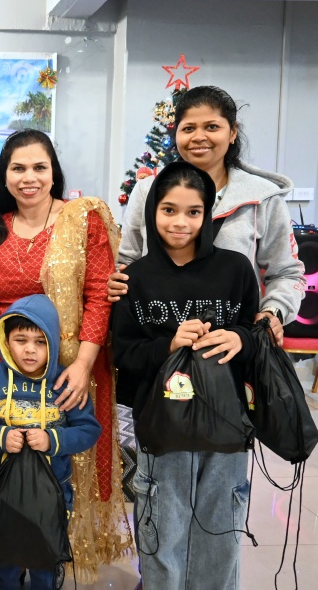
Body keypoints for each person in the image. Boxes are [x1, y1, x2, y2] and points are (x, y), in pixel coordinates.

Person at [0, 129, 131, 580]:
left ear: (54, 173)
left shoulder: (82, 218)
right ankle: (11, 553)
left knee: (66, 464)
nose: (29, 177)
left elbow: (99, 296)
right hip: (11, 371)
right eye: (18, 168)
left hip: (72, 366)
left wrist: (83, 365)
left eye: (39, 167)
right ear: (4, 176)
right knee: (14, 462)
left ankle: (54, 559)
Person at [111, 161, 260, 589]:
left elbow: (254, 335)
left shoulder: (235, 269)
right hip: (162, 427)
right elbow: (125, 353)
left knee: (220, 528)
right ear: (152, 211)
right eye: (169, 210)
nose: (180, 222)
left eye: (193, 212)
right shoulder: (134, 278)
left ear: (207, 214)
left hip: (225, 422)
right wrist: (170, 344)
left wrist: (238, 339)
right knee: (163, 527)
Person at [111, 85, 305, 344]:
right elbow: (127, 261)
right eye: (188, 128)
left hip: (231, 346)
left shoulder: (263, 197)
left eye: (212, 127)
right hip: (159, 347)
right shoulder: (148, 191)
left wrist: (272, 312)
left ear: (233, 132)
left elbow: (287, 273)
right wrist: (116, 282)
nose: (199, 137)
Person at [0, 294, 102, 590]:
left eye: (40, 342)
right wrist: (1, 437)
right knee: (3, 566)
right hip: (3, 493)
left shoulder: (65, 382)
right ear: (6, 340)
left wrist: (53, 439)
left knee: (45, 566)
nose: (30, 349)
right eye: (21, 340)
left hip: (52, 493)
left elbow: (88, 430)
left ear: (52, 342)